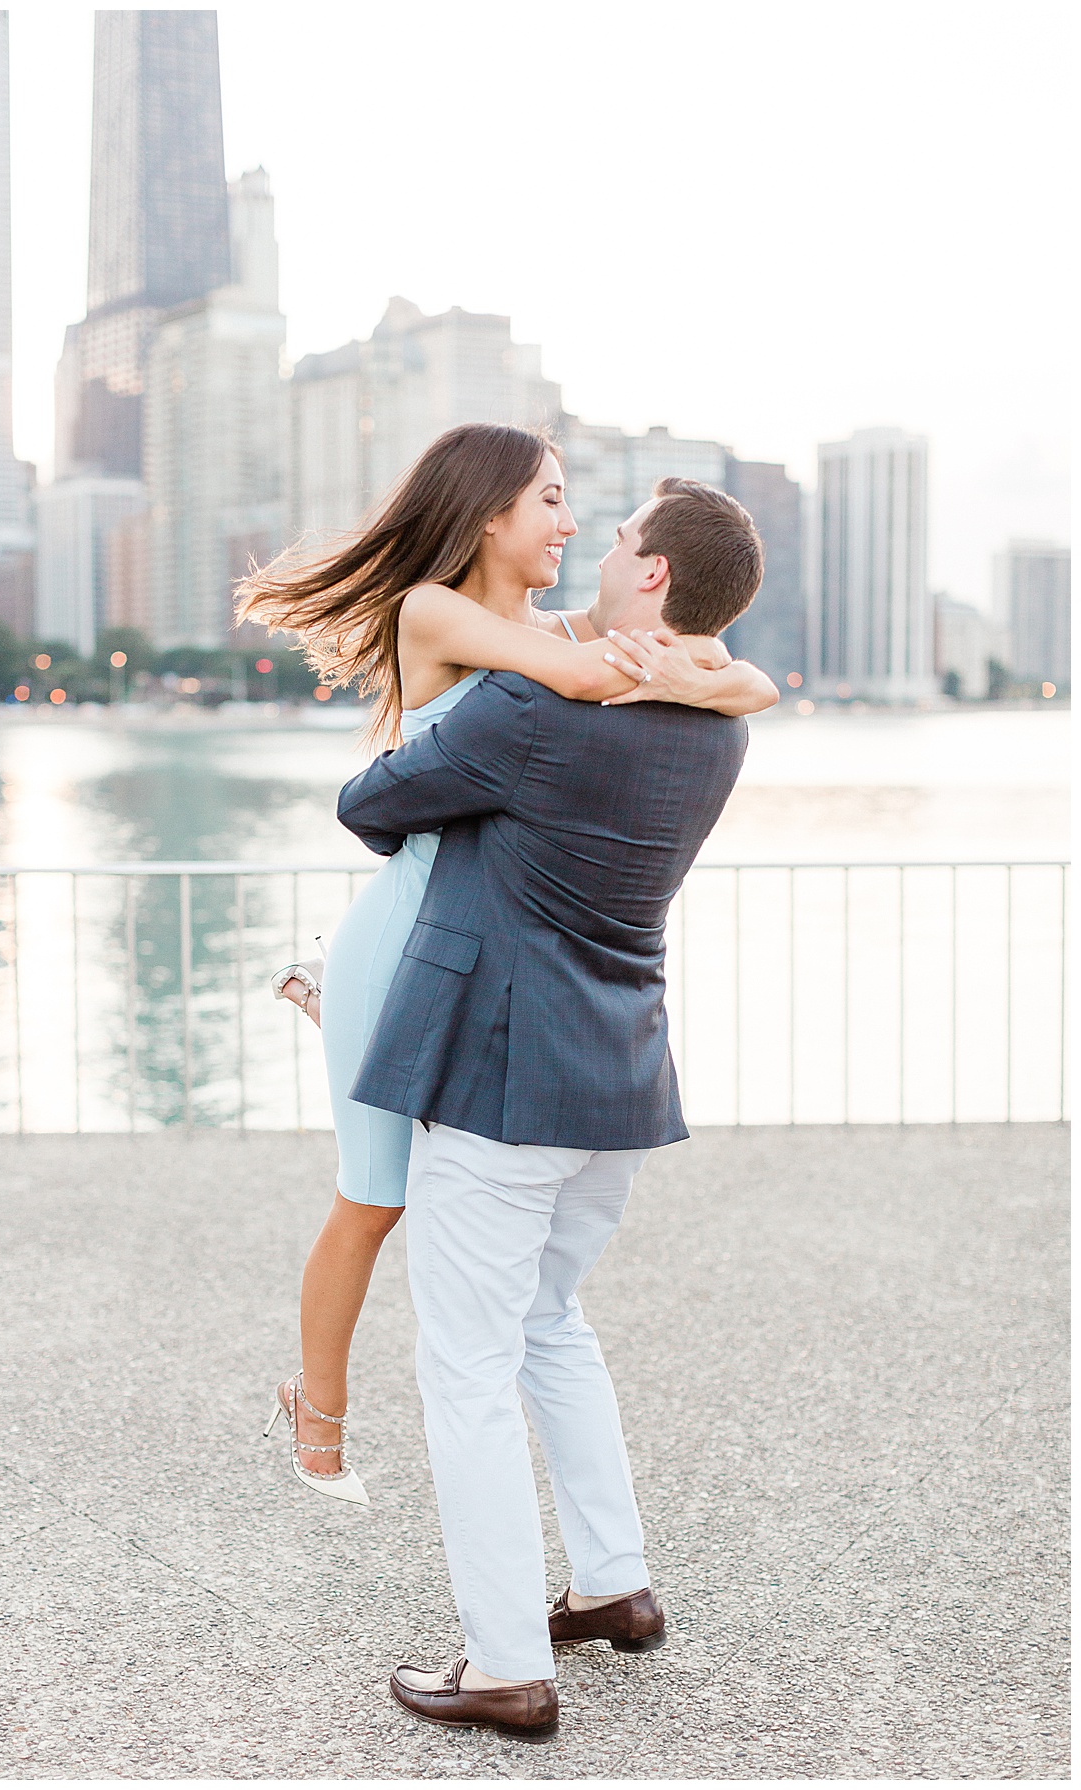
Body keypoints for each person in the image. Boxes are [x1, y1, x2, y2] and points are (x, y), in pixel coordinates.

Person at [235, 424, 776, 1506]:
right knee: (374, 1196)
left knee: (416, 1199)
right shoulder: (437, 611)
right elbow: (578, 673)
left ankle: (328, 999)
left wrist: (717, 679)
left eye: (580, 509)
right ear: (490, 513)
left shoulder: (551, 622)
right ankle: (317, 1411)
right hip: (406, 922)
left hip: (464, 933)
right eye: (553, 501)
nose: (571, 524)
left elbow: (745, 671)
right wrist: (678, 674)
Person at [332, 474, 765, 1739]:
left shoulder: (532, 707)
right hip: (616, 1076)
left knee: (464, 1359)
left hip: (503, 1075)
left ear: (655, 577)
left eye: (620, 534)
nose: (600, 541)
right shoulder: (721, 723)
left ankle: (506, 1663)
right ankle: (614, 1583)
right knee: (547, 1322)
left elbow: (372, 804)